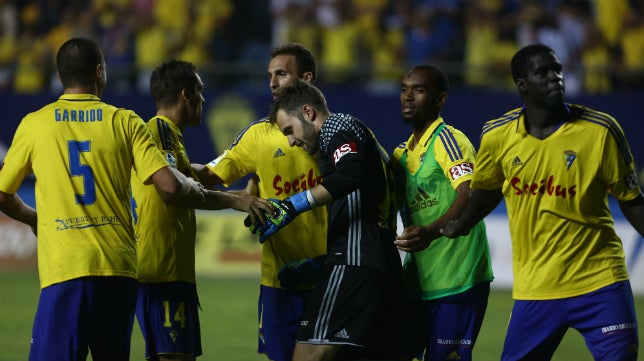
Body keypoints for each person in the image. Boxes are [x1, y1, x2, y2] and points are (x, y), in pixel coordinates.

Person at [0, 37, 272, 361]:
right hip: (120, 272)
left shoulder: (35, 124)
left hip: (65, 269)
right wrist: (228, 198)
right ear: (100, 72)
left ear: (60, 76)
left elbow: (3, 193)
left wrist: (36, 219)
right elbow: (171, 185)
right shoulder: (125, 121)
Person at [442, 43, 644, 361]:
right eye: (543, 72)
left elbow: (632, 201)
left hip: (601, 282)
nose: (555, 78)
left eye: (558, 70)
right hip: (536, 288)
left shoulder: (601, 131)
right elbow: (487, 191)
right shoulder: (497, 136)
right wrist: (460, 224)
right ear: (522, 84)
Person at [192, 43, 327, 361]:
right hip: (279, 279)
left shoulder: (331, 132)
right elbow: (208, 176)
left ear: (306, 78)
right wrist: (165, 164)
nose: (272, 82)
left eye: (281, 73)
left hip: (330, 274)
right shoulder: (258, 136)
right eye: (270, 75)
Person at [252, 79, 402, 361]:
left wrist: (294, 204)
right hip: (380, 263)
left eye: (289, 130)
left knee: (307, 355)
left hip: (354, 262)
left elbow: (350, 174)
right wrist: (322, 262)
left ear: (308, 113)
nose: (290, 141)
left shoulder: (338, 125)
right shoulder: (365, 139)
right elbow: (367, 203)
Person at [130, 59, 234, 361]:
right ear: (185, 94)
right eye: (200, 91)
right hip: (164, 272)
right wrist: (235, 200)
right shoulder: (160, 131)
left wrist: (236, 181)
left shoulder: (170, 137)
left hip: (166, 271)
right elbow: (172, 189)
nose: (203, 99)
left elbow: (192, 175)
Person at [392, 65, 494, 361]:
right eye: (404, 89)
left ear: (441, 99)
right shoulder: (400, 154)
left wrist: (433, 231)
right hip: (417, 283)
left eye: (419, 90)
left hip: (458, 279)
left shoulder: (448, 140)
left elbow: (469, 192)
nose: (408, 97)